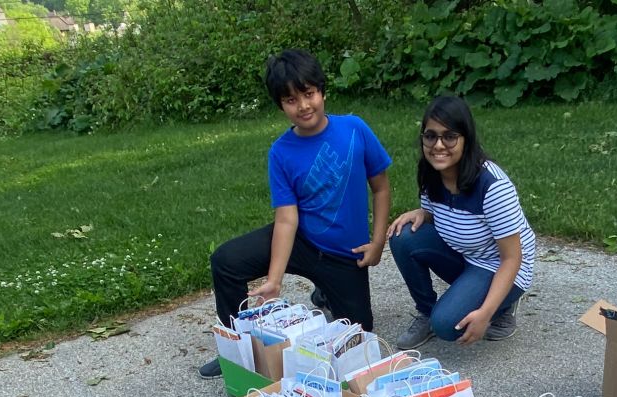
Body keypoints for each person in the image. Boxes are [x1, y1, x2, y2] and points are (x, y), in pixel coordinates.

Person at [200, 49, 392, 378]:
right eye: (291, 99)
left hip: (344, 255)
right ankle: (238, 345)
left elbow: (382, 188)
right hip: (302, 239)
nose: (303, 106)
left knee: (360, 342)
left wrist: (377, 243)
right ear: (281, 106)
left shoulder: (354, 129)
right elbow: (287, 219)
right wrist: (274, 280)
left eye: (308, 94)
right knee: (225, 261)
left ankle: (327, 294)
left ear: (322, 91)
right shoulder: (281, 152)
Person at [386, 95, 536, 350]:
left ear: (466, 139)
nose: (438, 145)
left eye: (449, 136)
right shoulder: (431, 172)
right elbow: (451, 217)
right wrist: (423, 213)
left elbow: (512, 258)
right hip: (466, 255)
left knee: (447, 325)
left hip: (500, 265)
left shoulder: (493, 186)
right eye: (430, 136)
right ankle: (426, 313)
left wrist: (486, 313)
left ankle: (503, 306)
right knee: (403, 235)